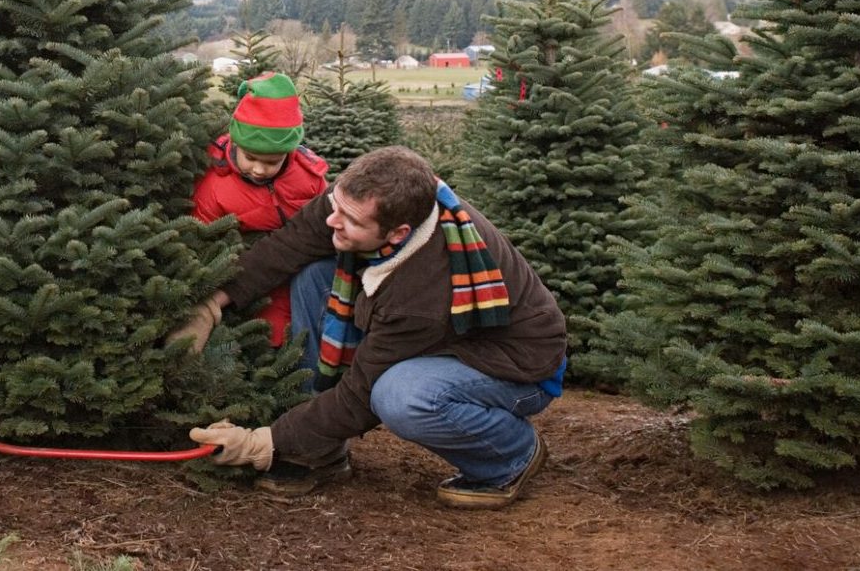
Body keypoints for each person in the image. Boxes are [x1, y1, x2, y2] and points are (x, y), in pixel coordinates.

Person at [171, 146, 566, 508]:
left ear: (398, 234)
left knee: (399, 395)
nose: (332, 221)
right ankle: (321, 450)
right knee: (312, 274)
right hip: (441, 333)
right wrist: (212, 302)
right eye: (335, 206)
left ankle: (509, 455)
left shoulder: (420, 293)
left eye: (350, 220)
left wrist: (263, 442)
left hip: (513, 366)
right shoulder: (365, 202)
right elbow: (286, 246)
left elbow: (359, 395)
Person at [191, 72, 329, 349]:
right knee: (273, 338)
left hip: (299, 271)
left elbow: (324, 221)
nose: (258, 169)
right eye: (250, 157)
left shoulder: (309, 177)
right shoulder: (215, 185)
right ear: (236, 143)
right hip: (246, 274)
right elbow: (199, 236)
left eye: (271, 162)